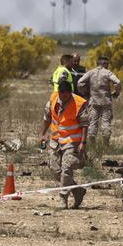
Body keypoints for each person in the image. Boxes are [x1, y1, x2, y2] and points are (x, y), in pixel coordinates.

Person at [39, 81, 89, 209]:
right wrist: (42, 134)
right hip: (56, 139)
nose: (65, 97)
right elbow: (47, 118)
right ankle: (77, 191)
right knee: (54, 168)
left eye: (68, 94)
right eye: (63, 94)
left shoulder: (79, 103)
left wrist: (83, 143)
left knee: (66, 168)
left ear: (70, 92)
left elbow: (84, 124)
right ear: (59, 92)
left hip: (72, 141)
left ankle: (63, 198)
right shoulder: (53, 98)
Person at [76, 56, 122, 146]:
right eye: (107, 64)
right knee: (106, 123)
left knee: (92, 122)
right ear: (104, 64)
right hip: (106, 101)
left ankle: (92, 144)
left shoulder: (91, 72)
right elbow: (118, 82)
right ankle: (106, 145)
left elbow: (79, 82)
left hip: (93, 101)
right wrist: (116, 92)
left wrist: (84, 92)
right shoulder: (107, 73)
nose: (108, 66)